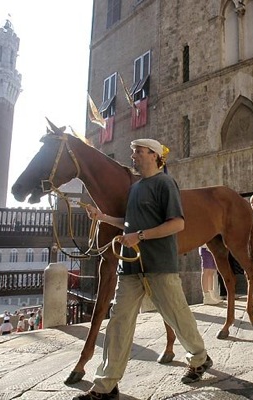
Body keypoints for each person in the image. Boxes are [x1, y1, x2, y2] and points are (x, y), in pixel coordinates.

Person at [74, 138, 211, 400]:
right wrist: (102, 217)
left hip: (159, 265)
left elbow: (177, 224)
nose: (133, 156)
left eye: (138, 152)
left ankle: (200, 358)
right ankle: (106, 385)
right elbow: (127, 222)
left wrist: (141, 236)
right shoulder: (135, 188)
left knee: (178, 316)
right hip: (130, 268)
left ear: (155, 155)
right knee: (118, 322)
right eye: (132, 151)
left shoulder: (165, 184)